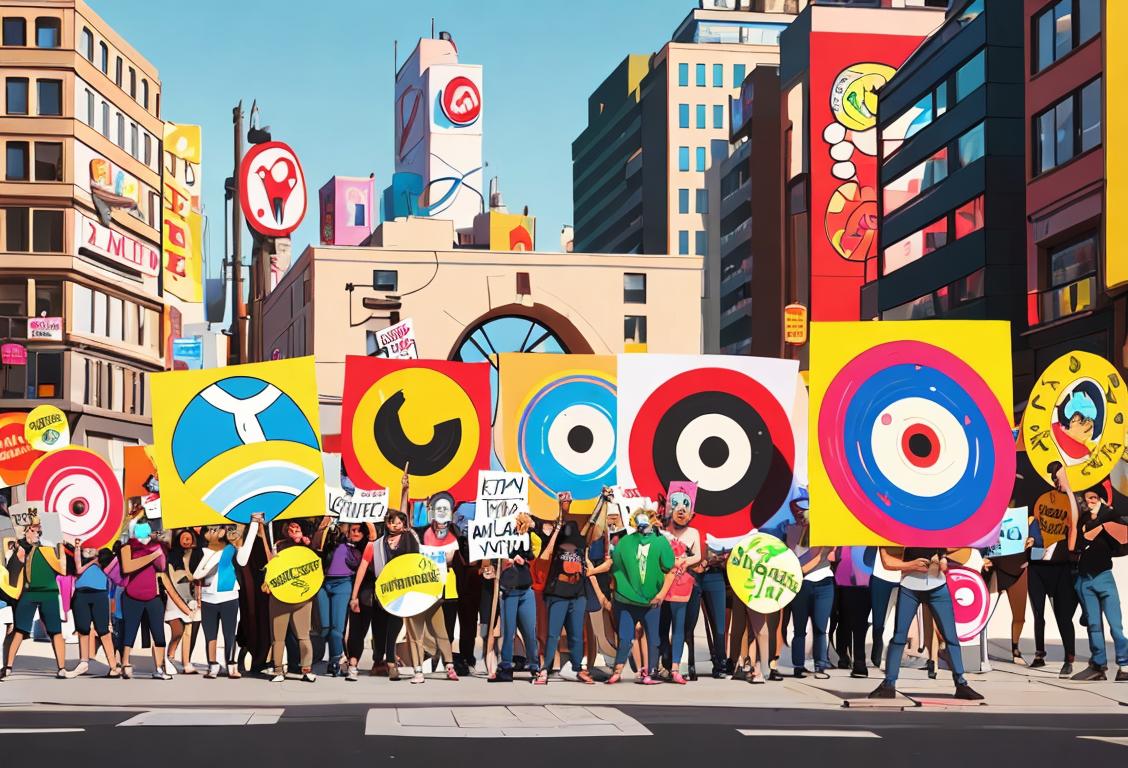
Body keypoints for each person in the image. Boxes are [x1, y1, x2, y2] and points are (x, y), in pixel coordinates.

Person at [869, 547, 983, 700]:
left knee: (951, 636)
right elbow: (887, 562)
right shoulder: (901, 528)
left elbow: (950, 546)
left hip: (937, 586)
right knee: (899, 637)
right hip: (910, 586)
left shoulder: (936, 527)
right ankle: (889, 683)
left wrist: (943, 557)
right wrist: (912, 565)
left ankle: (961, 683)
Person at [592, 509, 675, 685]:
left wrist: (592, 571)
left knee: (628, 636)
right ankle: (647, 673)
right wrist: (660, 595)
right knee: (651, 638)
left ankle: (619, 671)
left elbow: (611, 563)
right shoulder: (659, 541)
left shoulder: (625, 542)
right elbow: (670, 567)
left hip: (630, 599)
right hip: (646, 599)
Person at [351, 475, 417, 682]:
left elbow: (402, 511)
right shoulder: (377, 543)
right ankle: (379, 659)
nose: (395, 524)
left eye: (398, 522)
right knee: (379, 627)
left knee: (394, 625)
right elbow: (362, 568)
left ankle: (391, 662)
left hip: (401, 589)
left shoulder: (408, 537)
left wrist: (404, 490)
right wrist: (354, 596)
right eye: (391, 521)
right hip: (381, 590)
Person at [1068, 474, 1128, 682]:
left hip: (1103, 577)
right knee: (1093, 624)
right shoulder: (1084, 520)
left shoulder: (1111, 517)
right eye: (1087, 499)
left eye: (1093, 498)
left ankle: (1124, 664)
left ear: (1101, 499)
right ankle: (1098, 665)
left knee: (1116, 625)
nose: (1089, 502)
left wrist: (1103, 518)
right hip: (1085, 579)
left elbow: (1123, 536)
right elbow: (1074, 544)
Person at [120, 520, 191, 680]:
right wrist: (151, 555)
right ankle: (125, 663)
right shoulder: (127, 548)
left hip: (153, 596)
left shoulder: (156, 547)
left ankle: (159, 667)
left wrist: (160, 547)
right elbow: (128, 567)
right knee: (130, 631)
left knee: (158, 633)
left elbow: (161, 566)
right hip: (132, 595)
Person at [536, 497, 594, 685]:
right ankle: (545, 669)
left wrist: (603, 500)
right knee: (553, 633)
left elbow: (592, 523)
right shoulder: (557, 543)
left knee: (576, 633)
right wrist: (562, 510)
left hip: (577, 594)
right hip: (558, 594)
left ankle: (577, 668)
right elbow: (546, 555)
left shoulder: (580, 543)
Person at [1028, 466, 1079, 677]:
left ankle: (1069, 658)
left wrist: (1068, 490)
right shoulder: (1042, 498)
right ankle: (1039, 654)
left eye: (1059, 476)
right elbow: (1036, 523)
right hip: (1038, 564)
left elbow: (1074, 525)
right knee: (1038, 613)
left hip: (1061, 566)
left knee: (1063, 616)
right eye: (1054, 477)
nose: (1056, 481)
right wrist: (1031, 539)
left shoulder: (1075, 502)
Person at [406, 482, 459, 683]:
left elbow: (451, 560)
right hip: (418, 590)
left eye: (445, 509)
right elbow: (406, 521)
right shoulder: (420, 533)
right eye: (438, 509)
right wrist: (405, 492)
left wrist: (438, 556)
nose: (441, 514)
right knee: (417, 632)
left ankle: (449, 665)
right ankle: (418, 670)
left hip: (438, 592)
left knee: (441, 630)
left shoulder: (455, 536)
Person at [3, 521, 68, 679]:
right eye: (31, 529)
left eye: (36, 529)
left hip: (49, 593)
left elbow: (63, 569)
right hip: (29, 592)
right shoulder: (22, 547)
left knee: (55, 631)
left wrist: (61, 545)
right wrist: (21, 547)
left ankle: (62, 668)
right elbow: (13, 564)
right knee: (20, 630)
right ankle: (8, 667)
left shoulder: (50, 548)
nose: (34, 532)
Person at [194, 521, 257, 678]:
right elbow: (196, 575)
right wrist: (210, 565)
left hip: (229, 596)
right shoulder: (202, 552)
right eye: (208, 530)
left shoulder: (230, 548)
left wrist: (254, 525)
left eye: (214, 529)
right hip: (208, 598)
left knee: (230, 633)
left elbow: (243, 560)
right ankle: (213, 665)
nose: (212, 533)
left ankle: (231, 664)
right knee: (210, 633)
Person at [263, 516, 316, 682]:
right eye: (291, 529)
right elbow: (271, 564)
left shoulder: (308, 545)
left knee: (303, 635)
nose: (293, 531)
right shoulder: (278, 545)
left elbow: (316, 565)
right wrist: (267, 581)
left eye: (297, 529)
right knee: (278, 637)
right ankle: (278, 670)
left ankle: (307, 669)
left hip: (302, 597)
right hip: (280, 596)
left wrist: (306, 542)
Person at [315, 520, 371, 677]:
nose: (355, 533)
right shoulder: (334, 539)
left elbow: (371, 538)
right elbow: (317, 544)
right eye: (353, 530)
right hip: (324, 584)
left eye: (359, 531)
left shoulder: (363, 547)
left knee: (336, 629)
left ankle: (335, 660)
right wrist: (323, 524)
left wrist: (368, 525)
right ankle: (334, 657)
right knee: (325, 628)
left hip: (343, 584)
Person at [489, 511, 540, 684]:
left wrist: (521, 559)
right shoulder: (500, 535)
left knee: (529, 631)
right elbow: (493, 555)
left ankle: (535, 666)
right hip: (508, 589)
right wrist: (506, 560)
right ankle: (506, 667)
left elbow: (533, 551)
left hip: (526, 589)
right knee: (508, 631)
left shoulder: (528, 536)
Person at [785, 503, 834, 679]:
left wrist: (802, 569)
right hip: (801, 585)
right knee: (799, 627)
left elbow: (822, 556)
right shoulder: (792, 532)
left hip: (823, 582)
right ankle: (798, 665)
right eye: (798, 511)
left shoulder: (824, 531)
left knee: (821, 627)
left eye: (804, 511)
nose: (801, 514)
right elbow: (789, 558)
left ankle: (820, 665)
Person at [659, 484, 701, 684]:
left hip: (683, 585)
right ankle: (664, 662)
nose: (680, 509)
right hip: (663, 585)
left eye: (685, 505)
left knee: (680, 626)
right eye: (675, 504)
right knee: (661, 626)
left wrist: (683, 562)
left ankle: (675, 666)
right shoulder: (661, 531)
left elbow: (699, 556)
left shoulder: (693, 533)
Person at [67, 538, 120, 678]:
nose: (89, 550)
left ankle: (113, 666)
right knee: (83, 629)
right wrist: (81, 550)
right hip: (82, 594)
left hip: (100, 594)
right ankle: (83, 662)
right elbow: (78, 569)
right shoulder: (83, 555)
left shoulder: (104, 556)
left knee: (103, 631)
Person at [164, 529, 202, 676]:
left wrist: (198, 598)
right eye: (183, 537)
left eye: (189, 538)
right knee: (177, 631)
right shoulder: (172, 554)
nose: (186, 540)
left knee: (188, 630)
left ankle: (186, 662)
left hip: (190, 597)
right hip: (174, 597)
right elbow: (171, 576)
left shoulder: (197, 554)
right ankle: (170, 655)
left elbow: (197, 578)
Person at [834, 546, 873, 678]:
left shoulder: (870, 536)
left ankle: (858, 662)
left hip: (864, 580)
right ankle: (844, 656)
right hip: (845, 580)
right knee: (845, 621)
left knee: (858, 624)